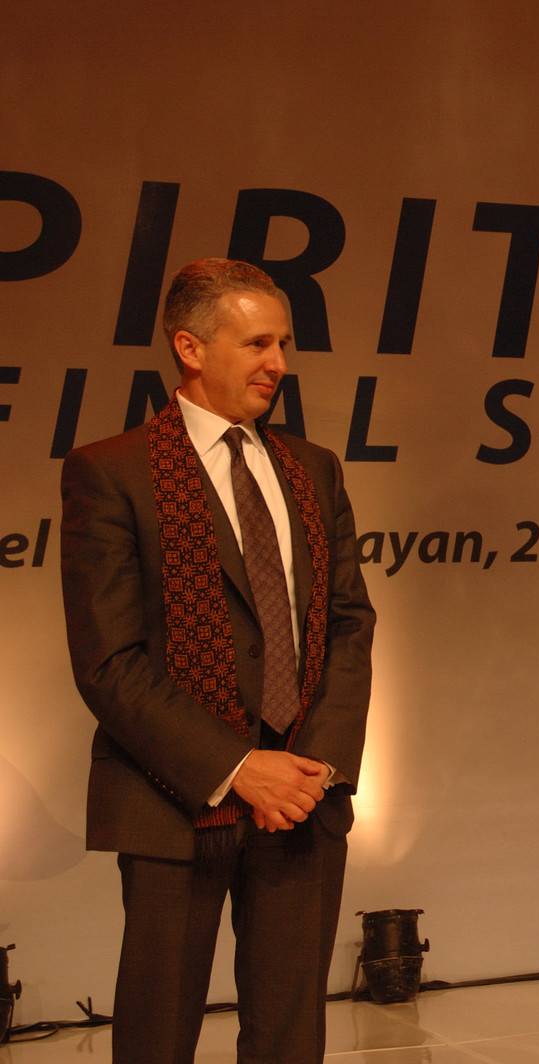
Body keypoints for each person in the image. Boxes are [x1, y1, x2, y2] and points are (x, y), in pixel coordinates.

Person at [59, 258, 376, 1063]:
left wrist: (312, 771)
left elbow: (348, 624)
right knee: (159, 1035)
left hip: (303, 800)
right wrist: (239, 768)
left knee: (289, 1037)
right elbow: (111, 662)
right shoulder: (113, 472)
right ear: (191, 348)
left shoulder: (313, 468)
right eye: (258, 342)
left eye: (284, 342)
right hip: (172, 800)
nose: (279, 362)